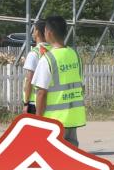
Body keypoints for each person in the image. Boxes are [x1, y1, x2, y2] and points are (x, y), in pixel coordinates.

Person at [31, 16, 86, 145]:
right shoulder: (75, 55)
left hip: (55, 119)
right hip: (73, 117)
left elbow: (41, 93)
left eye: (45, 30)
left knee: (53, 154)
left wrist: (38, 119)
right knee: (71, 153)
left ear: (49, 33)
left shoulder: (48, 59)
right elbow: (81, 86)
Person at [21, 19, 48, 114]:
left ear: (37, 32)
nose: (32, 33)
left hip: (34, 102)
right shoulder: (53, 50)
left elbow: (29, 80)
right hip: (50, 101)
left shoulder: (34, 53)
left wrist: (26, 103)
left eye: (34, 30)